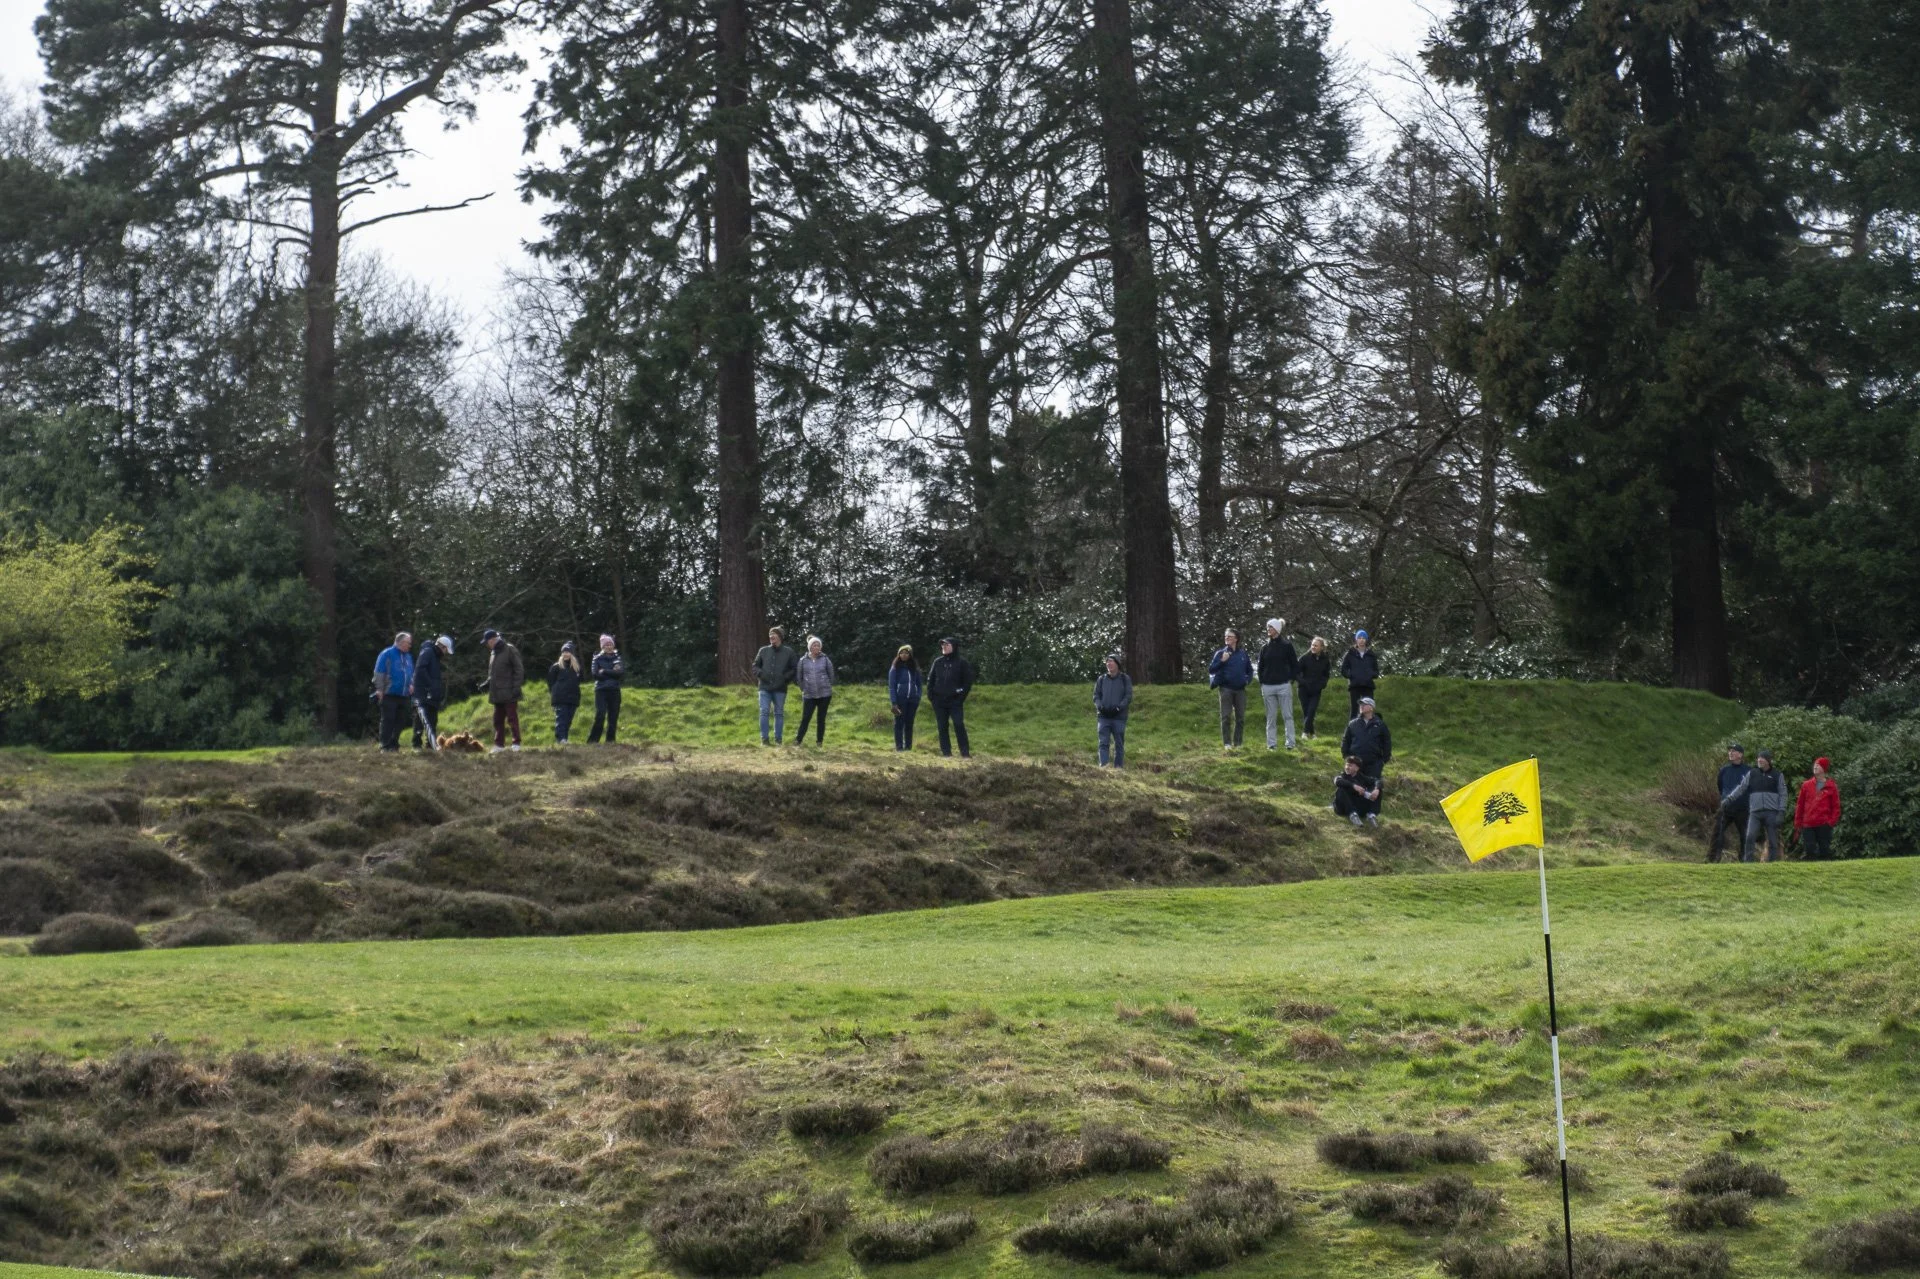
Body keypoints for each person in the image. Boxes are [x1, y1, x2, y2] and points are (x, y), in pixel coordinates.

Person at [1722, 748, 1787, 862]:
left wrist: (1781, 811)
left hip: (1771, 812)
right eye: (1758, 758)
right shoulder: (1752, 773)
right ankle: (1748, 862)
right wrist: (1729, 798)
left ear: (1768, 761)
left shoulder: (1777, 775)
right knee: (1750, 836)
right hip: (1755, 812)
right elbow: (1741, 788)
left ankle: (1772, 863)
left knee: (1772, 840)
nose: (1759, 760)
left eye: (1762, 758)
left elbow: (1783, 794)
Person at [1340, 696, 1392, 821]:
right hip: (1356, 762)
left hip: (1374, 762)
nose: (1361, 706)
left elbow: (1387, 742)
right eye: (1360, 705)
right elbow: (1345, 740)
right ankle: (1353, 810)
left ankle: (1372, 812)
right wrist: (1347, 757)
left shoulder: (1380, 724)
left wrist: (1383, 759)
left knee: (1375, 786)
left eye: (1365, 704)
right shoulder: (1353, 723)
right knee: (1354, 785)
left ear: (1372, 708)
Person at [1256, 618, 1300, 751]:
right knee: (1271, 717)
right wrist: (1262, 681)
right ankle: (1271, 744)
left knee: (1288, 715)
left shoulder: (1287, 645)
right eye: (1268, 627)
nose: (1268, 629)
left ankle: (1290, 743)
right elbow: (1260, 666)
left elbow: (1294, 665)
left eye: (1271, 627)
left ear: (1277, 629)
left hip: (1283, 685)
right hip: (1268, 686)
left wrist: (1290, 679)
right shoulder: (1265, 647)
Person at [478, 628, 525, 752]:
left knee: (512, 718)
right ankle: (499, 745)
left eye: (487, 642)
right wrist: (486, 683)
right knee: (497, 720)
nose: (486, 645)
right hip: (497, 693)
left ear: (493, 640)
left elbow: (519, 669)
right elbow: (492, 674)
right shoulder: (493, 653)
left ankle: (516, 743)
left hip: (510, 691)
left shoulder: (510, 649)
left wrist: (516, 687)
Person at [1207, 627, 1254, 750]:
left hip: (1240, 690)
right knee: (1226, 716)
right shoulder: (1220, 653)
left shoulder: (1243, 654)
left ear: (1236, 639)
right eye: (1226, 636)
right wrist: (1222, 661)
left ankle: (1238, 744)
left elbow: (1250, 670)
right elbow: (1211, 669)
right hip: (1226, 689)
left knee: (1240, 718)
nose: (1227, 638)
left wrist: (1247, 680)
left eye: (1230, 636)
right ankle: (1227, 744)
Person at [928, 637, 974, 758]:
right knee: (942, 726)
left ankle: (965, 753)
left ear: (954, 646)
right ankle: (946, 753)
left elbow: (967, 682)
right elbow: (930, 679)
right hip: (939, 701)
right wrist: (931, 696)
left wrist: (960, 698)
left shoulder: (962, 663)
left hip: (955, 701)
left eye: (946, 645)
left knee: (959, 724)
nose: (943, 647)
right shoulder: (937, 662)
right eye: (942, 645)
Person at [752, 626, 798, 745]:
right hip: (764, 688)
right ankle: (764, 739)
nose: (771, 636)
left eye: (774, 634)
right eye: (770, 635)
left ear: (780, 637)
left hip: (780, 689)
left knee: (779, 713)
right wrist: (761, 674)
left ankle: (778, 740)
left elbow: (794, 669)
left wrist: (784, 678)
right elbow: (755, 666)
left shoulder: (789, 652)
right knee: (764, 712)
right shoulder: (763, 650)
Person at [371, 632, 415, 754]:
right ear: (401, 642)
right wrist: (379, 689)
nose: (410, 646)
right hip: (389, 693)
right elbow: (379, 672)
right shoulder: (387, 654)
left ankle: (394, 744)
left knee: (400, 720)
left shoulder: (408, 657)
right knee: (388, 719)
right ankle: (385, 745)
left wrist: (412, 684)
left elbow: (411, 673)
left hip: (404, 694)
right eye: (408, 643)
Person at [1708, 743, 1751, 863]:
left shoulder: (1748, 770)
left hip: (1742, 809)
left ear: (1740, 755)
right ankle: (1712, 859)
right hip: (1726, 808)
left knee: (1745, 836)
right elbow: (1720, 786)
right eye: (1730, 751)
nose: (1731, 753)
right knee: (1717, 834)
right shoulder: (1724, 770)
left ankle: (1744, 860)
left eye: (1734, 751)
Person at [1794, 757, 1841, 860]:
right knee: (1810, 850)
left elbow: (1836, 806)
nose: (1815, 766)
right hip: (1808, 823)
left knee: (1825, 851)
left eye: (1818, 765)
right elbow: (1800, 804)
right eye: (1814, 764)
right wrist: (1798, 822)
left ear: (1824, 769)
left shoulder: (1831, 786)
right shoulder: (1806, 785)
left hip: (1824, 824)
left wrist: (1830, 822)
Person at [412, 634, 451, 748]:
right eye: (446, 650)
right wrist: (431, 686)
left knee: (432, 720)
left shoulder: (435, 656)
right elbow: (420, 670)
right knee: (421, 720)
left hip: (432, 695)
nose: (446, 653)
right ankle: (416, 745)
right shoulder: (428, 652)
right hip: (423, 693)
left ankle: (430, 746)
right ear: (442, 647)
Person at [1094, 651, 1133, 768]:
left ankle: (1118, 768)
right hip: (1103, 716)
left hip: (1119, 717)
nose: (1108, 664)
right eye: (1107, 662)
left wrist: (1118, 708)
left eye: (1111, 661)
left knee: (1119, 744)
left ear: (1117, 664)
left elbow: (1128, 696)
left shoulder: (1125, 679)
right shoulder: (1101, 679)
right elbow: (1096, 696)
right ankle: (1104, 767)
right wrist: (1100, 707)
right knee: (1103, 742)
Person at [795, 635, 835, 745]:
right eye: (814, 645)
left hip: (824, 694)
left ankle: (819, 741)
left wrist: (827, 686)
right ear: (809, 647)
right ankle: (798, 740)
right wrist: (803, 688)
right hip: (809, 695)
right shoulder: (803, 661)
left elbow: (831, 674)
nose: (816, 647)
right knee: (806, 718)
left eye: (818, 645)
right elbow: (799, 677)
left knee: (821, 719)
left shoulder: (825, 659)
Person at [588, 634, 626, 744]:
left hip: (615, 690)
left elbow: (620, 673)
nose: (609, 647)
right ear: (602, 647)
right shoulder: (597, 658)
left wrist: (604, 671)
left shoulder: (618, 658)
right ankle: (593, 740)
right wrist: (612, 672)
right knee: (600, 714)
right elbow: (595, 674)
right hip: (601, 690)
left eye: (610, 644)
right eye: (606, 645)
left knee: (613, 716)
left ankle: (610, 740)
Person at [547, 641, 583, 744]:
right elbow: (550, 682)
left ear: (572, 653)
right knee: (561, 719)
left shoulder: (576, 668)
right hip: (560, 697)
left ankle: (565, 739)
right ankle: (560, 739)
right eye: (564, 651)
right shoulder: (556, 667)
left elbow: (579, 681)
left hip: (573, 698)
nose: (565, 654)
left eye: (568, 651)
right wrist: (554, 694)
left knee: (568, 719)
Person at [1340, 629, 1380, 722]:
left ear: (1366, 640)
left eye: (1363, 638)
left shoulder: (1371, 655)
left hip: (1368, 685)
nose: (1361, 640)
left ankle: (1369, 730)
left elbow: (1376, 671)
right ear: (1356, 640)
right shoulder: (1350, 654)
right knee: (1355, 710)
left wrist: (1370, 674)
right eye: (1359, 638)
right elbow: (1343, 670)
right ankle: (1351, 733)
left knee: (1369, 709)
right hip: (1355, 685)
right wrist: (1351, 675)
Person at [888, 645, 922, 752]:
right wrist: (894, 702)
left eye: (906, 653)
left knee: (909, 723)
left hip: (912, 700)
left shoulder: (914, 668)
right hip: (900, 700)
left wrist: (918, 696)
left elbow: (919, 684)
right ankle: (899, 747)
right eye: (901, 653)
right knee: (899, 723)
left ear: (910, 655)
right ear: (898, 654)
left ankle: (908, 747)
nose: (904, 655)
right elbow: (892, 686)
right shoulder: (895, 668)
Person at [1332, 755, 1381, 827]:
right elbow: (1337, 781)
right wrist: (1354, 786)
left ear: (1357, 768)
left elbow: (1377, 780)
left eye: (1350, 766)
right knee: (1341, 789)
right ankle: (1352, 815)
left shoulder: (1361, 777)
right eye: (1346, 765)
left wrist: (1376, 789)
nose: (1347, 767)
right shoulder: (1342, 775)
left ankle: (1371, 815)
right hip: (1343, 808)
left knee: (1379, 791)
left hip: (1358, 806)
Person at [1297, 636, 1331, 738]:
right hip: (1303, 689)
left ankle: (1305, 732)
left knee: (1311, 711)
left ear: (1321, 647)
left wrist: (1322, 685)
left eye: (1316, 646)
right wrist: (1303, 682)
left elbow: (1326, 675)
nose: (1313, 647)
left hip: (1316, 690)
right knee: (1307, 711)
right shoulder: (1304, 658)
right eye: (1312, 645)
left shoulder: (1325, 660)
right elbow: (1296, 673)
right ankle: (1311, 733)